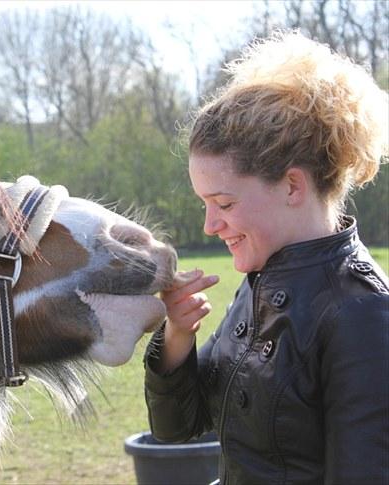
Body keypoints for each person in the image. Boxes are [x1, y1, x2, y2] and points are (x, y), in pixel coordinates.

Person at [144, 30, 388, 484]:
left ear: (293, 186)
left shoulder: (361, 312)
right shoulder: (263, 278)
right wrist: (179, 332)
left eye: (225, 204)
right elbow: (176, 427)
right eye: (205, 204)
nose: (209, 226)